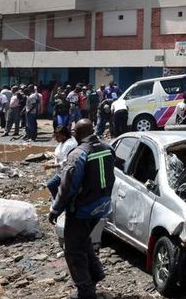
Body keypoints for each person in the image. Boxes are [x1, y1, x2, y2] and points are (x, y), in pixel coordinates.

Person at [49, 119, 115, 299]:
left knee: (73, 249)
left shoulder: (78, 154)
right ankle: (95, 274)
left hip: (83, 209)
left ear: (78, 133)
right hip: (102, 206)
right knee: (83, 239)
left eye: (74, 131)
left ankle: (85, 291)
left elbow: (68, 187)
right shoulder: (108, 148)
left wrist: (56, 209)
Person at [46, 126, 78, 199]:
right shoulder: (65, 141)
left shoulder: (69, 145)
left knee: (51, 184)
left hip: (67, 172)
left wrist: (52, 166)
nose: (55, 139)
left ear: (64, 135)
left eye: (57, 137)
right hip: (61, 171)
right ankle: (59, 199)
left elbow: (67, 162)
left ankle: (59, 201)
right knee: (55, 186)